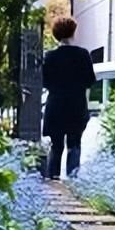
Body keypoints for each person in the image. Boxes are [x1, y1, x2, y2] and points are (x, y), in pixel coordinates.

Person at [41, 16, 96, 179]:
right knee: (74, 144)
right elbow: (90, 80)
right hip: (76, 105)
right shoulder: (83, 54)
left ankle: (53, 180)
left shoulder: (50, 56)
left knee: (56, 146)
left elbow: (45, 81)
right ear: (73, 32)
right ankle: (73, 182)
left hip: (56, 105)